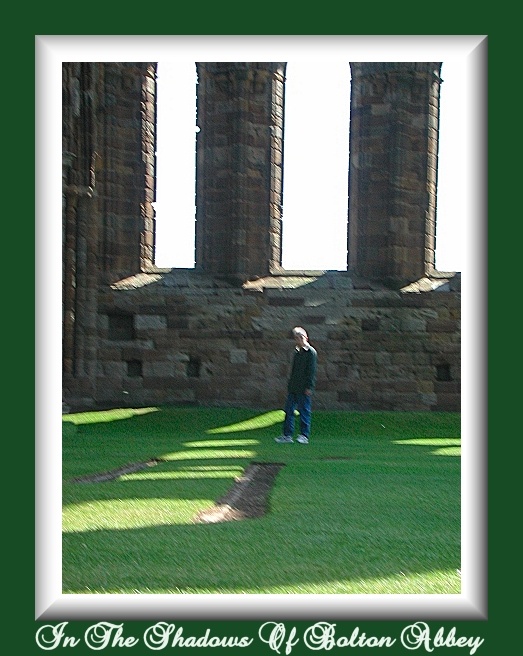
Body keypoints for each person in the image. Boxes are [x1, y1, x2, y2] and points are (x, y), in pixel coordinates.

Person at [275, 326, 318, 444]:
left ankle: (304, 435)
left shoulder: (311, 352)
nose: (298, 340)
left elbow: (311, 371)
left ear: (305, 338)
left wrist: (309, 387)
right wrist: (290, 385)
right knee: (289, 411)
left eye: (300, 337)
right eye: (296, 338)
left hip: (304, 388)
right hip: (294, 387)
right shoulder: (296, 353)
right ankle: (287, 435)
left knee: (304, 411)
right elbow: (294, 371)